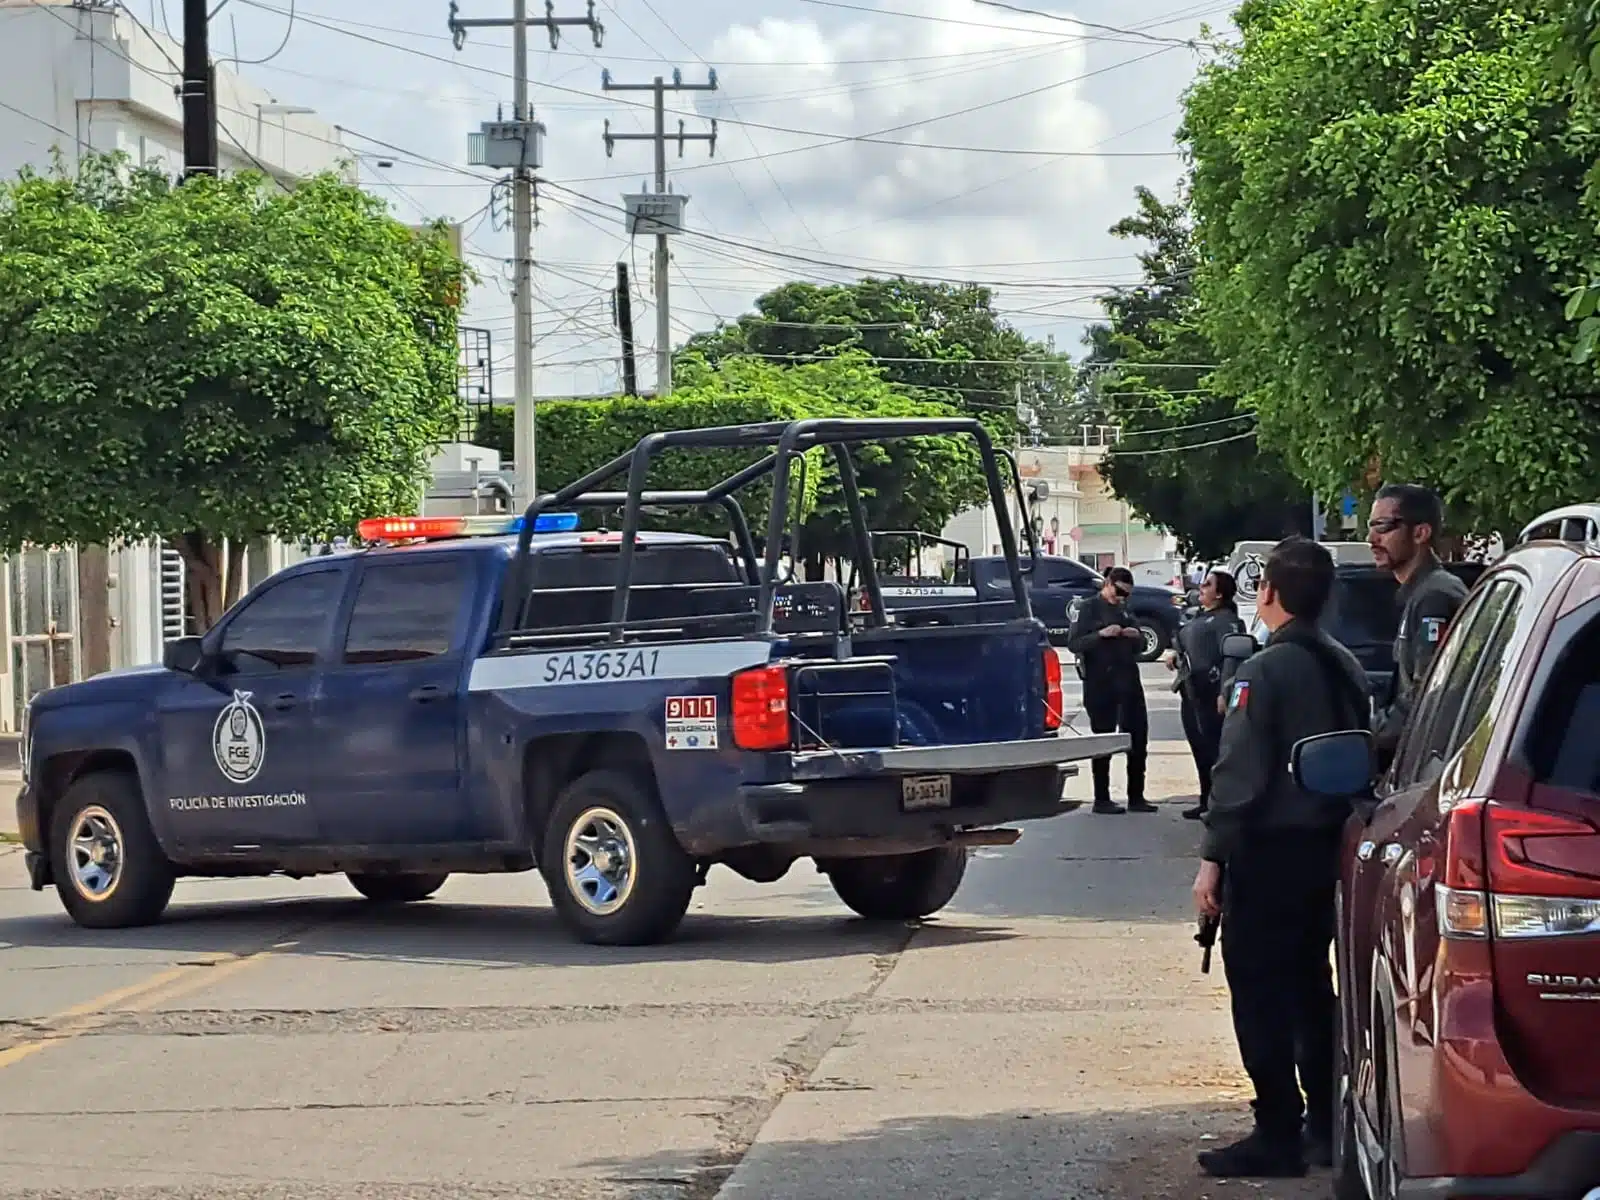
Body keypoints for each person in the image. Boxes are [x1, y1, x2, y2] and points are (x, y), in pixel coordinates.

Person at [1189, 537, 1371, 1179]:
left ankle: (1276, 1131)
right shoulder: (1343, 662)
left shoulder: (1262, 671)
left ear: (1267, 591)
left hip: (1271, 852)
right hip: (1330, 845)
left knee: (1260, 990)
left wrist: (1213, 857)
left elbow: (1238, 773)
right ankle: (1324, 1125)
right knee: (1310, 987)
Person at [1368, 483, 1468, 765]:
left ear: (1421, 533)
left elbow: (1427, 693)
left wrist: (1374, 737)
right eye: (1371, 526)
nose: (1371, 538)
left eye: (1384, 526)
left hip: (1429, 764)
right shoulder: (1422, 593)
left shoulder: (1435, 597)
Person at [1067, 565, 1154, 815]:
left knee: (1137, 738)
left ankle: (1136, 796)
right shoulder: (1088, 608)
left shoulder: (1124, 609)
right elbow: (1074, 643)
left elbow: (1140, 645)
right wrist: (1101, 634)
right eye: (1118, 591)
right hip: (1100, 682)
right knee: (1103, 741)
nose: (1121, 597)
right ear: (1108, 583)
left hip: (1128, 680)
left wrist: (1133, 634)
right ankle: (1101, 798)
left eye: (1126, 594)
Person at [1164, 569, 1244, 821]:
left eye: (1208, 585)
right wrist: (1177, 657)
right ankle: (1205, 799)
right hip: (1191, 690)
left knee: (1215, 751)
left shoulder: (1226, 620)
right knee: (1199, 748)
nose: (1202, 588)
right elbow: (1190, 646)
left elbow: (1232, 655)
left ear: (1219, 593)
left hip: (1211, 693)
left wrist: (1225, 691)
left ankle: (1221, 803)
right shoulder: (1199, 616)